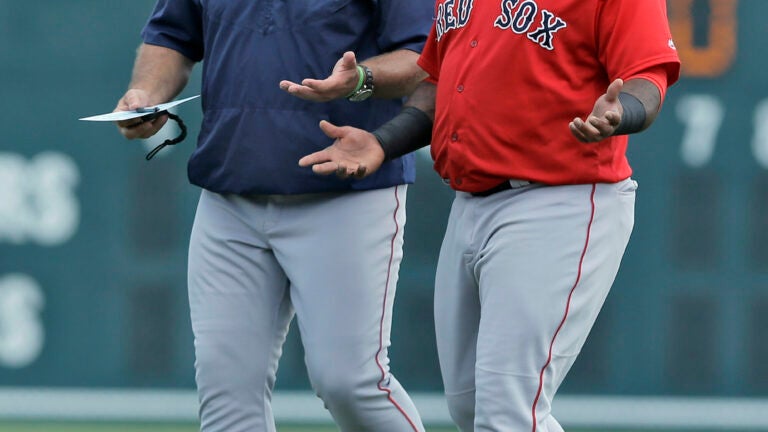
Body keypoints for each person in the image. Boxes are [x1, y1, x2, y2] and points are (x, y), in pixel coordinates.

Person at [298, 0, 682, 430]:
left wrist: (621, 112)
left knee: (506, 410)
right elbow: (438, 81)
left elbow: (648, 77)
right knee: (472, 405)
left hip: (560, 202)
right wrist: (384, 142)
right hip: (470, 204)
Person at [112, 0, 434, 431]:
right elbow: (172, 34)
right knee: (225, 394)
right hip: (231, 195)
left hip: (346, 189)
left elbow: (423, 56)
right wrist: (146, 95)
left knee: (350, 383)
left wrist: (361, 78)